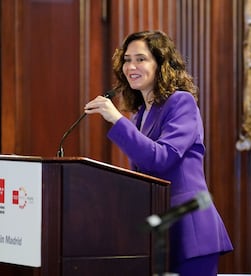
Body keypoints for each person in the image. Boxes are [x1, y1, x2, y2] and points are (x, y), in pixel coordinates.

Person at [84, 30, 233, 276]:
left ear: (161, 64)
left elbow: (162, 158)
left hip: (190, 230)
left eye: (140, 59)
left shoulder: (181, 102)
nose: (131, 66)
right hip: (160, 230)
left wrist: (115, 118)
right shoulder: (140, 114)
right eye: (127, 59)